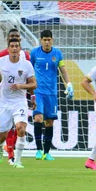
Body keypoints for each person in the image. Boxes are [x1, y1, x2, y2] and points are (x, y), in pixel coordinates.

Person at [29, 30, 74, 161]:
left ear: (52, 40)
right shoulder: (34, 53)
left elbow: (63, 70)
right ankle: (38, 150)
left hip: (52, 93)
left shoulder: (57, 54)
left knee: (49, 122)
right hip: (38, 91)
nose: (47, 42)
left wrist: (69, 84)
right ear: (41, 40)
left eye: (49, 39)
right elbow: (29, 69)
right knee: (38, 118)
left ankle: (46, 152)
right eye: (44, 39)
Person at [0, 38, 36, 168]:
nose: (15, 48)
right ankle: (0, 148)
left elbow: (34, 83)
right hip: (3, 102)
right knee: (2, 135)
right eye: (12, 46)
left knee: (21, 128)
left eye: (17, 46)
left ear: (20, 48)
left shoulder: (26, 64)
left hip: (19, 102)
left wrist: (21, 86)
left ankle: (17, 161)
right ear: (8, 49)